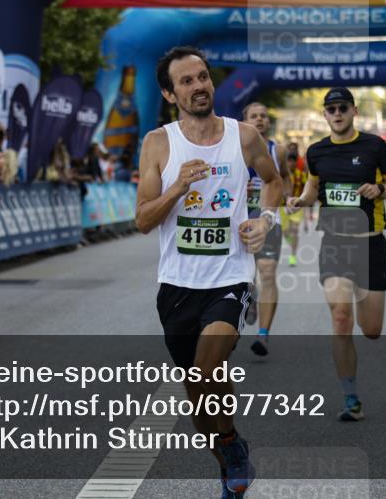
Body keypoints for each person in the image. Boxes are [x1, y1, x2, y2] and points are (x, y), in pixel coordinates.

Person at [136, 46, 279, 498]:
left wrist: (265, 220)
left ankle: (231, 448)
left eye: (203, 77)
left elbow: (275, 181)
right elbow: (143, 219)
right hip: (177, 286)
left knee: (205, 371)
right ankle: (230, 458)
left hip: (230, 277)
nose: (199, 86)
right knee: (200, 394)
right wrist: (177, 187)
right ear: (169, 94)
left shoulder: (245, 136)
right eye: (187, 81)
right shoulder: (158, 143)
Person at [286, 87, 386, 422]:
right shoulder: (317, 151)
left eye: (342, 108)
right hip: (335, 244)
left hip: (370, 245)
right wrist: (301, 200)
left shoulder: (374, 146)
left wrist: (380, 189)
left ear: (354, 111)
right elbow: (313, 188)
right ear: (325, 114)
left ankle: (354, 384)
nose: (337, 113)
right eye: (331, 109)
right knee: (341, 318)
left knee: (371, 330)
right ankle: (351, 398)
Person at [240, 102, 292, 357]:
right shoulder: (233, 148)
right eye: (254, 116)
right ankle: (250, 295)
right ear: (245, 121)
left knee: (268, 272)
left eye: (263, 116)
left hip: (269, 219)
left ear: (268, 122)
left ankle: (263, 334)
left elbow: (285, 177)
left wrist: (288, 197)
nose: (259, 119)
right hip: (239, 221)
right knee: (245, 277)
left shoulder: (277, 150)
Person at [281, 142, 309, 264]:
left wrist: (306, 219)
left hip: (297, 207)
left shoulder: (301, 175)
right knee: (285, 232)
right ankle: (291, 242)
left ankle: (293, 255)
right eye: (289, 161)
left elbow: (306, 192)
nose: (291, 163)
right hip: (282, 207)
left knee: (294, 230)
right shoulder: (281, 176)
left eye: (293, 161)